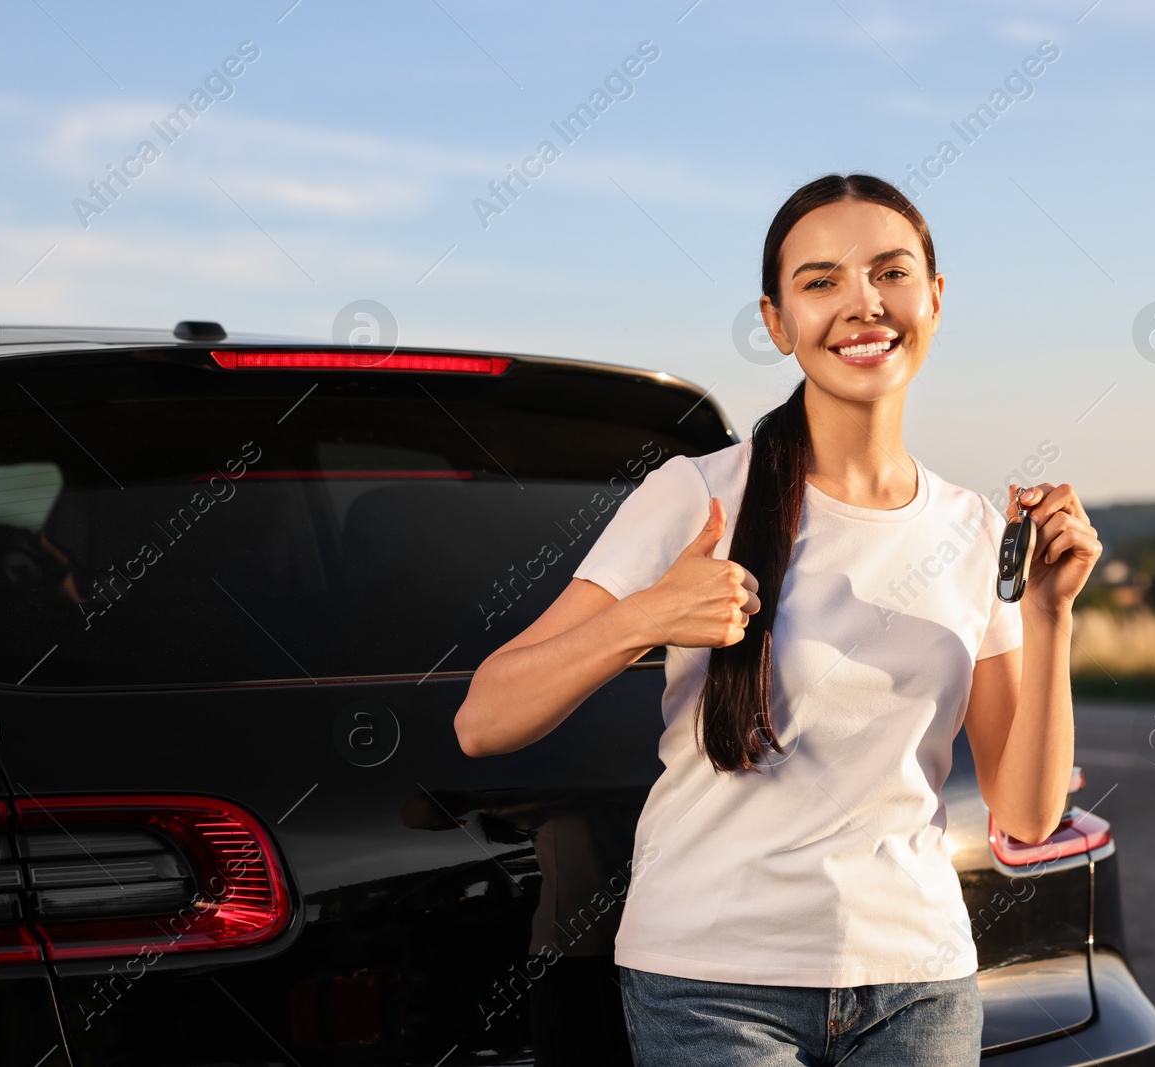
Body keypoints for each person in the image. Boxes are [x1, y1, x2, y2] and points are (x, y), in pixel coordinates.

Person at [453, 172, 1102, 1066]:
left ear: (936, 298)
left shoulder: (972, 530)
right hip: (710, 985)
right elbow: (483, 718)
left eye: (890, 273)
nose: (863, 305)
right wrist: (646, 616)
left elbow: (1027, 816)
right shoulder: (697, 495)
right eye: (822, 281)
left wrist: (1051, 613)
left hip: (920, 987)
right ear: (775, 321)